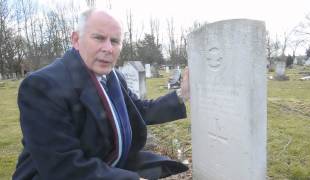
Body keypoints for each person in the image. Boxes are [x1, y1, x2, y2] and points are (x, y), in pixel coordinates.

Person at [13, 8, 190, 180]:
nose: (108, 48)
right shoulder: (42, 86)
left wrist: (182, 94)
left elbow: (139, 111)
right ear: (76, 39)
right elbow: (62, 167)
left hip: (109, 166)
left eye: (114, 41)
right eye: (99, 38)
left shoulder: (113, 77)